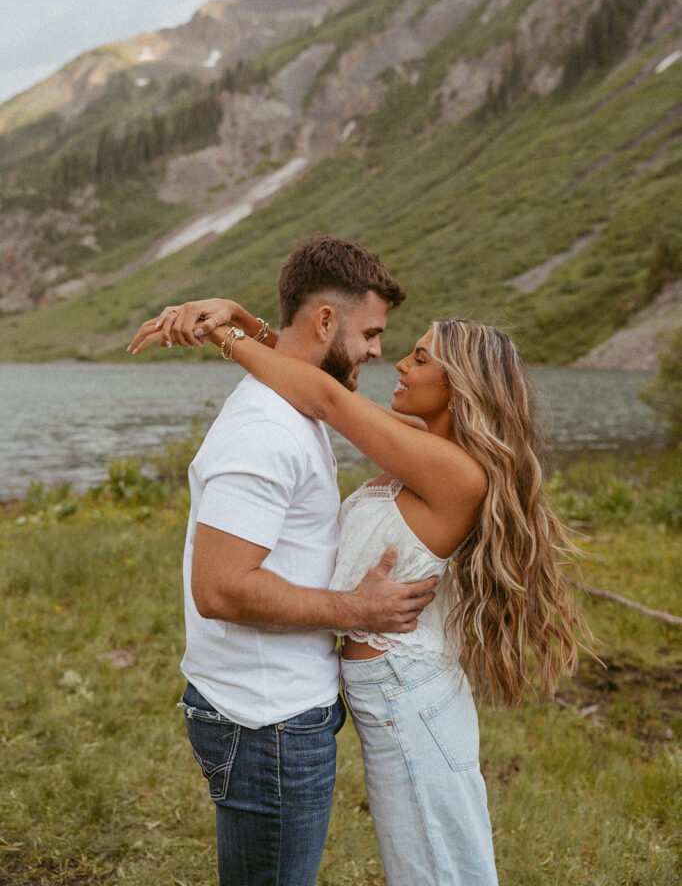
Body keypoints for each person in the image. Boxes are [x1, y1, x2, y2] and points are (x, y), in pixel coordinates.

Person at [132, 296, 588, 885]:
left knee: (439, 869)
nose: (398, 363)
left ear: (458, 387)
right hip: (391, 699)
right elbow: (319, 392)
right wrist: (246, 321)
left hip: (410, 698)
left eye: (420, 358)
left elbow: (324, 398)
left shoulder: (455, 470)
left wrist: (224, 338)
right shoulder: (428, 446)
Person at [128, 236, 439, 886]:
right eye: (373, 333)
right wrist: (357, 609)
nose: (379, 351)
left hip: (274, 713)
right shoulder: (265, 430)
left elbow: (350, 402)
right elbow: (219, 587)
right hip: (266, 723)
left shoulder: (298, 401)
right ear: (327, 321)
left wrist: (241, 323)